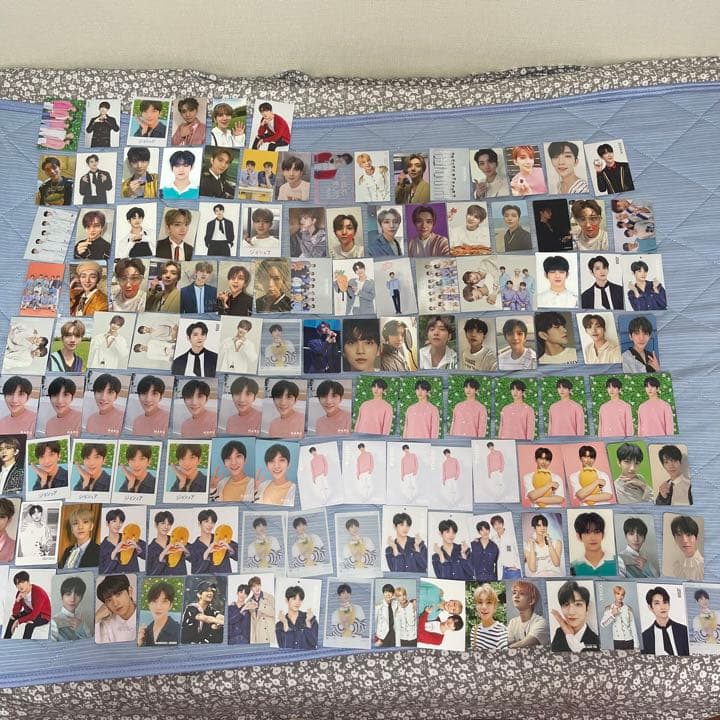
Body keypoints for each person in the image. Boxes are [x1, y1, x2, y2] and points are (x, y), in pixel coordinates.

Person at [550, 581, 599, 652]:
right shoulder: (559, 633)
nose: (571, 612)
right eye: (566, 604)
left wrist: (570, 636)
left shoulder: (596, 640)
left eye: (578, 604)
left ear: (587, 608)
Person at [641, 586, 689, 655]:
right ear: (650, 607)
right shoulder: (644, 637)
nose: (662, 607)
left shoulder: (684, 631)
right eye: (657, 603)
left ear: (669, 605)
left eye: (665, 602)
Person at [3, 570, 51, 639]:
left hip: (43, 615)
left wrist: (19, 621)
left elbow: (34, 615)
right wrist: (18, 600)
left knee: (30, 624)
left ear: (28, 582)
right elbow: (15, 613)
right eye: (17, 584)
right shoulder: (19, 593)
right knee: (12, 618)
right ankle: (6, 640)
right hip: (30, 612)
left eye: (22, 582)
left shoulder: (38, 592)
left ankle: (25, 643)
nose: (20, 585)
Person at [188, 508, 238, 574]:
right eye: (206, 521)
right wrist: (207, 552)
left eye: (212, 522)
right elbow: (195, 572)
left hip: (224, 578)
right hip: (207, 580)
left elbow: (240, 555)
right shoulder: (194, 547)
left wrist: (229, 548)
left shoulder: (221, 539)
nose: (210, 525)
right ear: (199, 523)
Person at [570, 512, 617, 576]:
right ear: (578, 536)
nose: (593, 538)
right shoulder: (572, 567)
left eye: (597, 532)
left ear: (603, 534)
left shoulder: (618, 562)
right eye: (587, 533)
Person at [95, 574, 137, 643]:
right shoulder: (106, 625)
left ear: (130, 591)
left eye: (118, 594)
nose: (115, 603)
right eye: (109, 600)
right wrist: (96, 618)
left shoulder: (147, 615)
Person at [507, 580, 550, 647]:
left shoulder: (541, 622)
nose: (516, 596)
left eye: (522, 593)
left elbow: (526, 643)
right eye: (514, 593)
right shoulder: (513, 622)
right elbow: (508, 643)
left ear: (532, 600)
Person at [145, 510, 188, 576]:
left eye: (169, 524)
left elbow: (194, 557)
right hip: (162, 582)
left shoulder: (177, 540)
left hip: (181, 580)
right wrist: (163, 554)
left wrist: (185, 550)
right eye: (163, 523)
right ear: (156, 525)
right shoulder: (150, 549)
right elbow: (150, 574)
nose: (166, 527)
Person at [138, 580, 180, 647]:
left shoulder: (179, 630)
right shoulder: (144, 633)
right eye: (154, 601)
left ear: (170, 605)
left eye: (164, 601)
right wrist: (139, 645)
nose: (158, 607)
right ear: (149, 605)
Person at [275, 585, 318, 649]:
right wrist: (285, 624)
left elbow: (314, 643)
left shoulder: (310, 619)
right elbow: (283, 647)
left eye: (300, 599)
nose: (297, 602)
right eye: (294, 599)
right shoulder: (280, 625)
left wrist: (308, 622)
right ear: (287, 600)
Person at [51, 576, 90, 641]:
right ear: (62, 597)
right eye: (68, 594)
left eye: (77, 595)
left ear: (81, 598)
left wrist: (81, 629)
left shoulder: (82, 623)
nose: (72, 599)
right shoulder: (53, 622)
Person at [470, 583, 508, 650]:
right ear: (476, 606)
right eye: (480, 602)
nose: (484, 607)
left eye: (489, 602)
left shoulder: (502, 632)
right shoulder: (474, 630)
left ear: (495, 606)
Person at [600, 585, 639, 650]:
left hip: (629, 640)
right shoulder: (609, 608)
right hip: (617, 641)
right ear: (614, 594)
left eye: (622, 595)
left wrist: (636, 644)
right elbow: (603, 624)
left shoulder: (628, 609)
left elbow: (633, 626)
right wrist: (613, 615)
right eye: (618, 594)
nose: (620, 596)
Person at [670, 515, 704, 580]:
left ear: (696, 538)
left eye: (689, 534)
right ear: (675, 539)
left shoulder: (704, 566)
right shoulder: (676, 567)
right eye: (679, 535)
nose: (684, 540)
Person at [247, 575, 275, 643]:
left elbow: (274, 613)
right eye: (254, 586)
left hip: (270, 632)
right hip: (259, 635)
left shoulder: (269, 597)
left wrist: (259, 606)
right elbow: (252, 623)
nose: (257, 588)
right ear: (251, 588)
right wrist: (253, 640)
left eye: (258, 585)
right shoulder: (249, 602)